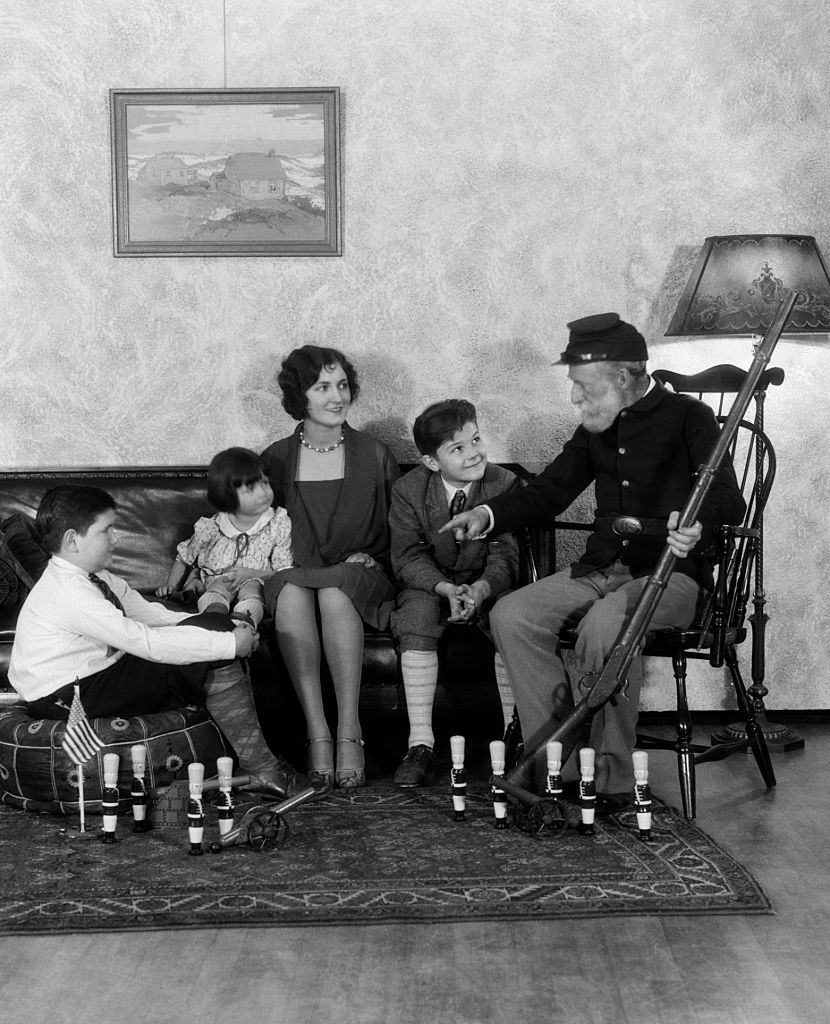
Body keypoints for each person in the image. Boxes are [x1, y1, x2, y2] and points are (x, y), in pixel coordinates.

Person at [442, 312, 746, 810]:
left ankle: (611, 778)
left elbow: (727, 499)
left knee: (606, 625)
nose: (575, 398)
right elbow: (549, 492)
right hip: (601, 568)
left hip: (672, 577)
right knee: (511, 615)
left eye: (583, 386)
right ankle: (549, 765)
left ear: (622, 378)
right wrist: (486, 512)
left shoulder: (690, 418)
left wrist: (696, 525)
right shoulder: (595, 429)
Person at [8, 484, 304, 798]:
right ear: (72, 539)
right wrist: (229, 644)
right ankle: (262, 768)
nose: (115, 538)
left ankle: (254, 760)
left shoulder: (97, 576)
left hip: (97, 673)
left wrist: (228, 626)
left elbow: (152, 615)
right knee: (211, 651)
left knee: (216, 627)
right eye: (106, 530)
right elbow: (145, 642)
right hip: (68, 695)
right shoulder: (68, 591)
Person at [262, 345, 399, 790]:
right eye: (322, 386)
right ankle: (317, 730)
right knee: (291, 588)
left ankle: (349, 730)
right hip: (296, 569)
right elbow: (263, 530)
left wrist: (374, 559)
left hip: (361, 569)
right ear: (298, 395)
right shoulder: (276, 458)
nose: (336, 396)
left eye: (342, 385)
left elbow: (400, 529)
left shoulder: (375, 454)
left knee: (337, 589)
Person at [388, 398, 520, 787]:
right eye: (457, 448)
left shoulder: (504, 484)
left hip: (487, 583)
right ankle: (420, 744)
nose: (474, 452)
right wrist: (446, 589)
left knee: (510, 617)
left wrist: (480, 590)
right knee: (416, 614)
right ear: (432, 462)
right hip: (432, 582)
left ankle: (516, 737)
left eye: (476, 439)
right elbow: (408, 558)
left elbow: (505, 557)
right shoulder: (409, 490)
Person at [156, 447, 292, 627]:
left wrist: (250, 574)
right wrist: (171, 587)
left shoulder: (277, 523)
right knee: (221, 584)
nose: (263, 493)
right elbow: (184, 557)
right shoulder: (211, 527)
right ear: (227, 495)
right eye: (250, 489)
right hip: (217, 581)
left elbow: (283, 572)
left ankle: (245, 626)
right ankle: (214, 622)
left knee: (252, 587)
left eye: (265, 483)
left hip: (258, 582)